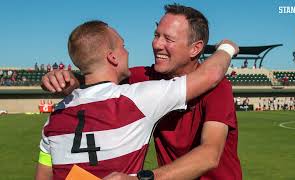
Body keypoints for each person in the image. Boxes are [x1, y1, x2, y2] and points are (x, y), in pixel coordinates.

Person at [41, 4, 242, 180]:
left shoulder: (218, 88)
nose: (156, 44)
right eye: (156, 35)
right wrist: (67, 80)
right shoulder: (144, 78)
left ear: (195, 48)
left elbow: (209, 154)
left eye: (168, 39)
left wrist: (145, 178)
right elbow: (99, 81)